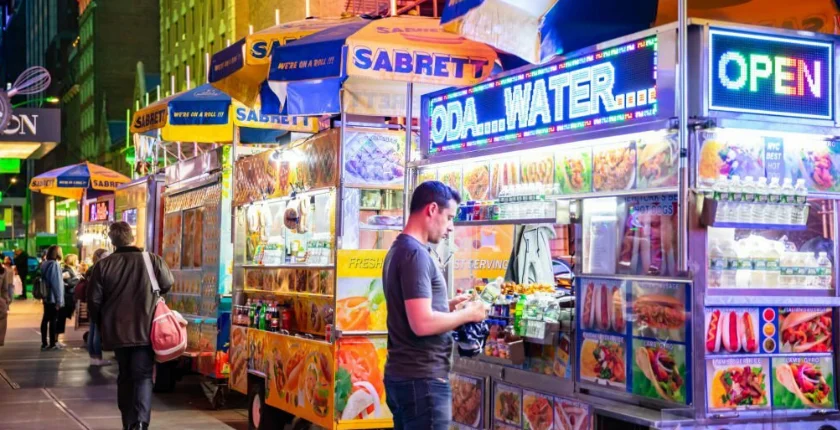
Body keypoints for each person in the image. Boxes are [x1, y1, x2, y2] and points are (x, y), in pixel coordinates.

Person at [383, 181, 487, 430]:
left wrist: (449, 306)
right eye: (449, 217)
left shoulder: (399, 249)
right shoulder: (415, 254)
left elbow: (412, 311)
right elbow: (421, 323)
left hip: (407, 379)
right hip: (422, 383)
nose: (451, 227)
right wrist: (469, 315)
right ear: (431, 210)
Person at [88, 222, 173, 430]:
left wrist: (101, 323)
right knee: (143, 375)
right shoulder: (151, 260)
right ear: (131, 237)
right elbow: (168, 283)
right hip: (146, 328)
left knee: (125, 374)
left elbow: (94, 301)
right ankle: (141, 422)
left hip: (118, 330)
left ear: (112, 241)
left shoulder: (103, 266)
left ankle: (128, 421)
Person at [80, 249, 111, 366]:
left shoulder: (91, 269)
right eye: (106, 256)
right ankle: (97, 357)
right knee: (96, 331)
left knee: (93, 330)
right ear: (99, 257)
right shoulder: (99, 269)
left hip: (92, 302)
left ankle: (93, 357)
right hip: (98, 302)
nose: (108, 258)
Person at [40, 245, 64, 350]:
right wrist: (59, 300)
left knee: (45, 319)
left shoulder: (45, 264)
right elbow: (56, 283)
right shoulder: (54, 265)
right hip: (53, 297)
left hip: (46, 296)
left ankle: (44, 342)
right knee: (53, 319)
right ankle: (52, 343)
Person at [56, 254, 81, 347]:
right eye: (77, 260)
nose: (78, 262)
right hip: (67, 298)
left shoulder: (71, 270)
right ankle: (55, 339)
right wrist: (78, 279)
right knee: (61, 318)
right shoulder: (67, 270)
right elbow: (69, 283)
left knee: (61, 318)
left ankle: (56, 339)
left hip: (70, 297)